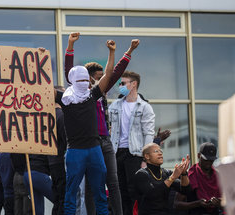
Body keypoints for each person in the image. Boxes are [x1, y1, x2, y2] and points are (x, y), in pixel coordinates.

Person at [65, 32, 140, 215]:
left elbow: (114, 72)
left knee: (111, 182)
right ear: (87, 77)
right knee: (89, 187)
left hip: (103, 142)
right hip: (85, 143)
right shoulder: (76, 95)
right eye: (96, 76)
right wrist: (70, 46)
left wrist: (128, 50)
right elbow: (68, 70)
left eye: (101, 76)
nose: (100, 78)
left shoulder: (98, 91)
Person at [54, 40, 117, 215]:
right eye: (79, 79)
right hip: (75, 152)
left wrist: (111, 52)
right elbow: (43, 88)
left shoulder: (92, 95)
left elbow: (109, 74)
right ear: (72, 81)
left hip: (95, 150)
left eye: (85, 79)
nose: (83, 82)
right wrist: (40, 63)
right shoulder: (64, 98)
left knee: (100, 192)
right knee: (71, 192)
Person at [108, 70, 155, 215]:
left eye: (123, 83)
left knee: (134, 190)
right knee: (119, 190)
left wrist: (145, 159)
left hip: (134, 153)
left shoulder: (144, 107)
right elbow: (108, 128)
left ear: (133, 84)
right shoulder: (115, 105)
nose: (120, 86)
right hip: (117, 152)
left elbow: (148, 133)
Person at [134, 143, 190, 215]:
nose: (160, 154)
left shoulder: (166, 173)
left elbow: (186, 190)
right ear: (147, 156)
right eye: (156, 151)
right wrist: (172, 178)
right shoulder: (141, 174)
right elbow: (153, 195)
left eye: (161, 151)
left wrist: (184, 173)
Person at [174, 142, 223, 215]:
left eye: (211, 159)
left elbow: (228, 200)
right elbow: (176, 204)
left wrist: (219, 203)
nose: (209, 162)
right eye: (206, 159)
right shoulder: (190, 176)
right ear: (198, 155)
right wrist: (197, 203)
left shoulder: (218, 175)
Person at [48, 86, 67, 215]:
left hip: (51, 161)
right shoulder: (62, 116)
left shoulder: (46, 116)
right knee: (63, 197)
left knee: (57, 198)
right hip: (61, 160)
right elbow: (66, 140)